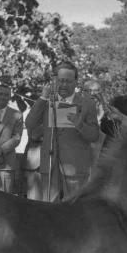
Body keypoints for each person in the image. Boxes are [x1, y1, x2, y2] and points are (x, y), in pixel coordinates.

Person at [24, 61, 100, 202]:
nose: (64, 85)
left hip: (75, 169)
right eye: (61, 81)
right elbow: (29, 123)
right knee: (48, 212)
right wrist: (42, 98)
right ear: (55, 81)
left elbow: (94, 136)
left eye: (68, 81)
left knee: (74, 212)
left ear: (76, 82)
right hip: (49, 165)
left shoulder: (87, 103)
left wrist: (80, 125)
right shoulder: (47, 101)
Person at [0, 83, 24, 194]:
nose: (3, 97)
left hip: (6, 163)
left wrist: (0, 151)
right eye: (0, 94)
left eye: (6, 94)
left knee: (4, 199)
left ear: (9, 97)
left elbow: (16, 138)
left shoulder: (17, 115)